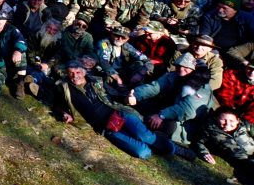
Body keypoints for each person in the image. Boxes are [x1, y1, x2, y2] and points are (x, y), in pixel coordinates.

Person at [54, 61, 194, 160]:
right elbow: (58, 104)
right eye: (71, 73)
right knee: (143, 152)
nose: (75, 76)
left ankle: (176, 149)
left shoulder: (96, 81)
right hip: (106, 128)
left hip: (119, 113)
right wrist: (65, 113)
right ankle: (157, 141)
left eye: (78, 72)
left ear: (84, 72)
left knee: (145, 137)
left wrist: (128, 96)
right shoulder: (65, 88)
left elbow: (114, 93)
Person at [128, 53, 214, 145]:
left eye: (186, 67)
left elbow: (188, 110)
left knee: (168, 126)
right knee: (145, 103)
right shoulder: (174, 76)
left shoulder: (202, 87)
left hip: (185, 123)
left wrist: (161, 115)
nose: (181, 70)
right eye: (178, 66)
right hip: (167, 110)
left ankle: (155, 135)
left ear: (193, 69)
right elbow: (155, 87)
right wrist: (134, 95)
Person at [195, 107, 254, 173]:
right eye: (223, 120)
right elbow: (198, 142)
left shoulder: (245, 125)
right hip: (240, 159)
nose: (227, 124)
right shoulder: (209, 129)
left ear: (237, 120)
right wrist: (204, 152)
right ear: (216, 118)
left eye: (231, 121)